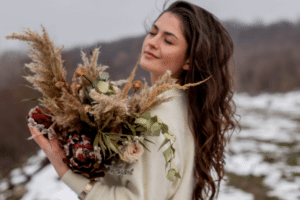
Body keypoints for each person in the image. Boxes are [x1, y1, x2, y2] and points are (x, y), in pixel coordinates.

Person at [28, 1, 238, 200]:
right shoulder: (185, 106)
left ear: (190, 60)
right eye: (153, 32)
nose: (152, 43)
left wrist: (64, 171)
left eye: (168, 40)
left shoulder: (157, 117)